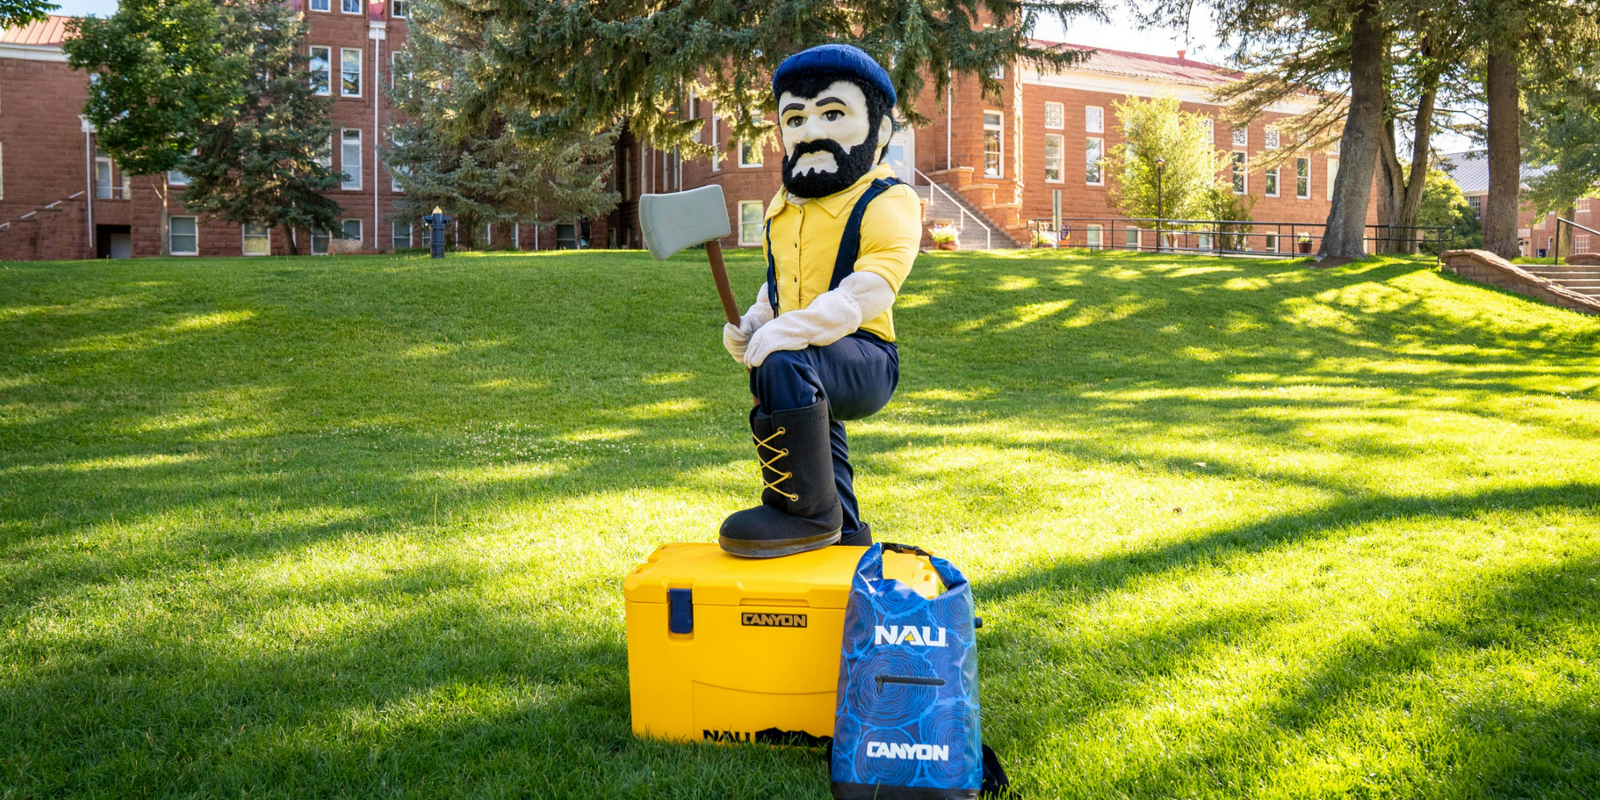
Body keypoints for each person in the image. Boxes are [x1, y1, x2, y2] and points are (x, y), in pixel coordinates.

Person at [718, 44, 920, 558]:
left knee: (784, 363)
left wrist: (789, 332)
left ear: (880, 129)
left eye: (832, 114)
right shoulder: (783, 208)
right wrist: (756, 321)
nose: (809, 132)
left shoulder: (887, 198)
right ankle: (845, 534)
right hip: (812, 355)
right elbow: (780, 285)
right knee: (788, 383)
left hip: (866, 355)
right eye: (795, 118)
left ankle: (806, 514)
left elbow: (870, 287)